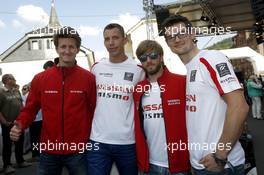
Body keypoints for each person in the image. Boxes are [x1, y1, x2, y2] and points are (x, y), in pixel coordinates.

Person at [162, 15, 249, 175]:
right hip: (203, 165)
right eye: (171, 36)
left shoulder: (211, 58)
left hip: (221, 166)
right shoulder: (190, 68)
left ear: (193, 33)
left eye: (182, 33)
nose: (177, 39)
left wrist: (220, 155)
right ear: (167, 43)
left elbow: (239, 106)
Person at [10, 26, 96, 175]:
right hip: (49, 151)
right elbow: (30, 108)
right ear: (56, 49)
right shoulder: (41, 79)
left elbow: (94, 110)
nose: (67, 51)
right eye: (63, 46)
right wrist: (19, 125)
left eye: (71, 47)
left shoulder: (88, 78)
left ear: (77, 49)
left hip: (79, 151)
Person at [87, 23, 145, 175]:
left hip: (127, 142)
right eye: (107, 39)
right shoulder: (96, 67)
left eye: (115, 38)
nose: (111, 43)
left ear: (124, 40)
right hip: (97, 141)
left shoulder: (138, 69)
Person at [133, 40, 190, 175]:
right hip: (150, 165)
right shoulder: (138, 89)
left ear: (161, 57)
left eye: (153, 56)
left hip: (179, 164)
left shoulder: (182, 82)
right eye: (143, 58)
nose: (149, 61)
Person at [0, 74, 32, 174]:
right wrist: (4, 121)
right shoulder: (1, 92)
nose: (15, 80)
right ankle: (7, 165)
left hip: (18, 122)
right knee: (8, 145)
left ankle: (20, 161)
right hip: (8, 123)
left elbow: (21, 105)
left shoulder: (16, 90)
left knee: (20, 142)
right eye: (13, 78)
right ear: (7, 80)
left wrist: (23, 118)